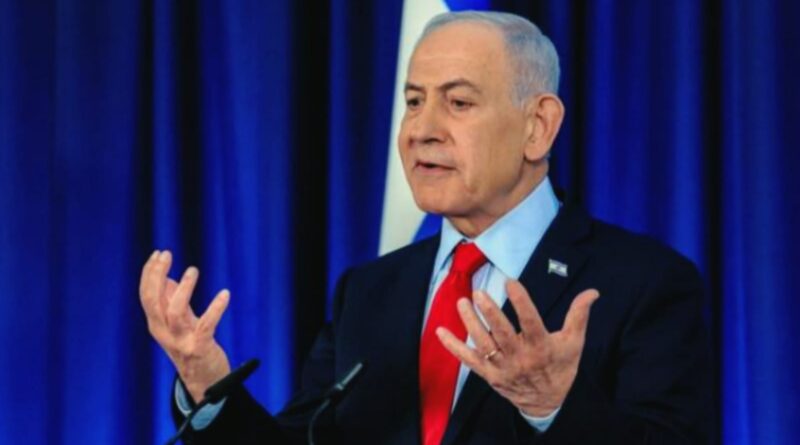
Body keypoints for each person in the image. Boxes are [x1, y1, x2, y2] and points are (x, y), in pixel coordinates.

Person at [139, 11, 712, 445]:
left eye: (458, 103)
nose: (422, 130)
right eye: (414, 102)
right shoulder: (369, 291)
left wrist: (552, 408)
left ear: (538, 126)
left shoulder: (644, 284)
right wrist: (208, 384)